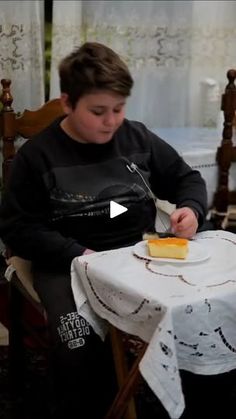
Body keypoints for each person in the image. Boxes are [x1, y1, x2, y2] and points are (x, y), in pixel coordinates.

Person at [0, 42, 207, 418]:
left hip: (138, 252)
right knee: (77, 347)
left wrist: (191, 210)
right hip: (67, 261)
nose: (111, 121)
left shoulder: (137, 137)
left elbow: (186, 180)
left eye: (118, 109)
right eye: (98, 112)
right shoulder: (37, 156)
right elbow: (17, 227)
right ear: (67, 103)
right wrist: (77, 254)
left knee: (197, 318)